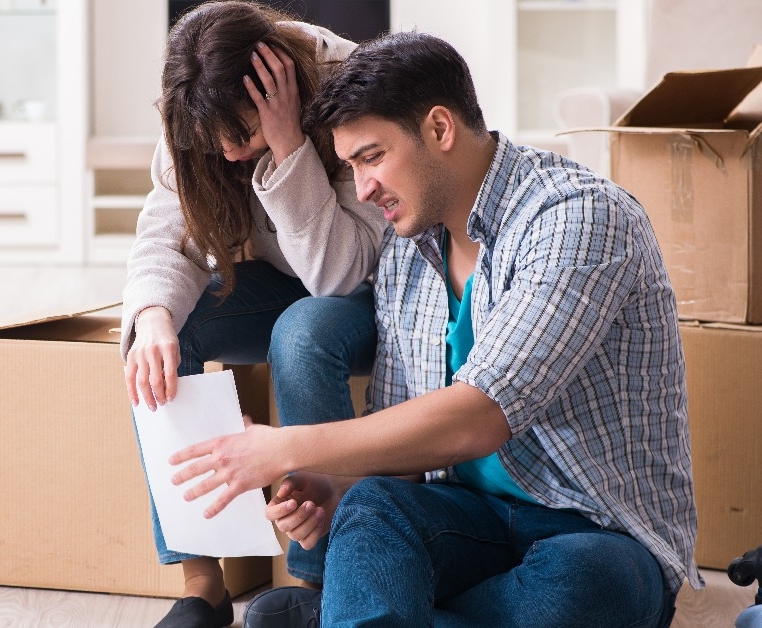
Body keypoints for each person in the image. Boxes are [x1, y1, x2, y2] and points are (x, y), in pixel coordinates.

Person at [169, 30, 701, 627]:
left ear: (440, 128)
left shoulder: (578, 217)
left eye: (372, 157)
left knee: (584, 584)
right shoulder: (406, 249)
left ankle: (354, 614)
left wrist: (282, 447)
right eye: (352, 166)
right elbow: (402, 448)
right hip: (465, 518)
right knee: (372, 508)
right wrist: (335, 489)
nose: (363, 189)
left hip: (590, 530)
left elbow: (479, 416)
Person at [119, 2, 386, 627]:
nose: (226, 152)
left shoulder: (353, 87)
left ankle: (322, 582)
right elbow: (168, 232)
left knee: (302, 331)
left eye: (240, 134)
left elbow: (341, 273)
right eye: (212, 139)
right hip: (286, 282)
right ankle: (203, 584)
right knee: (164, 332)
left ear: (274, 91)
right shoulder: (202, 109)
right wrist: (153, 315)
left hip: (375, 289)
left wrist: (289, 145)